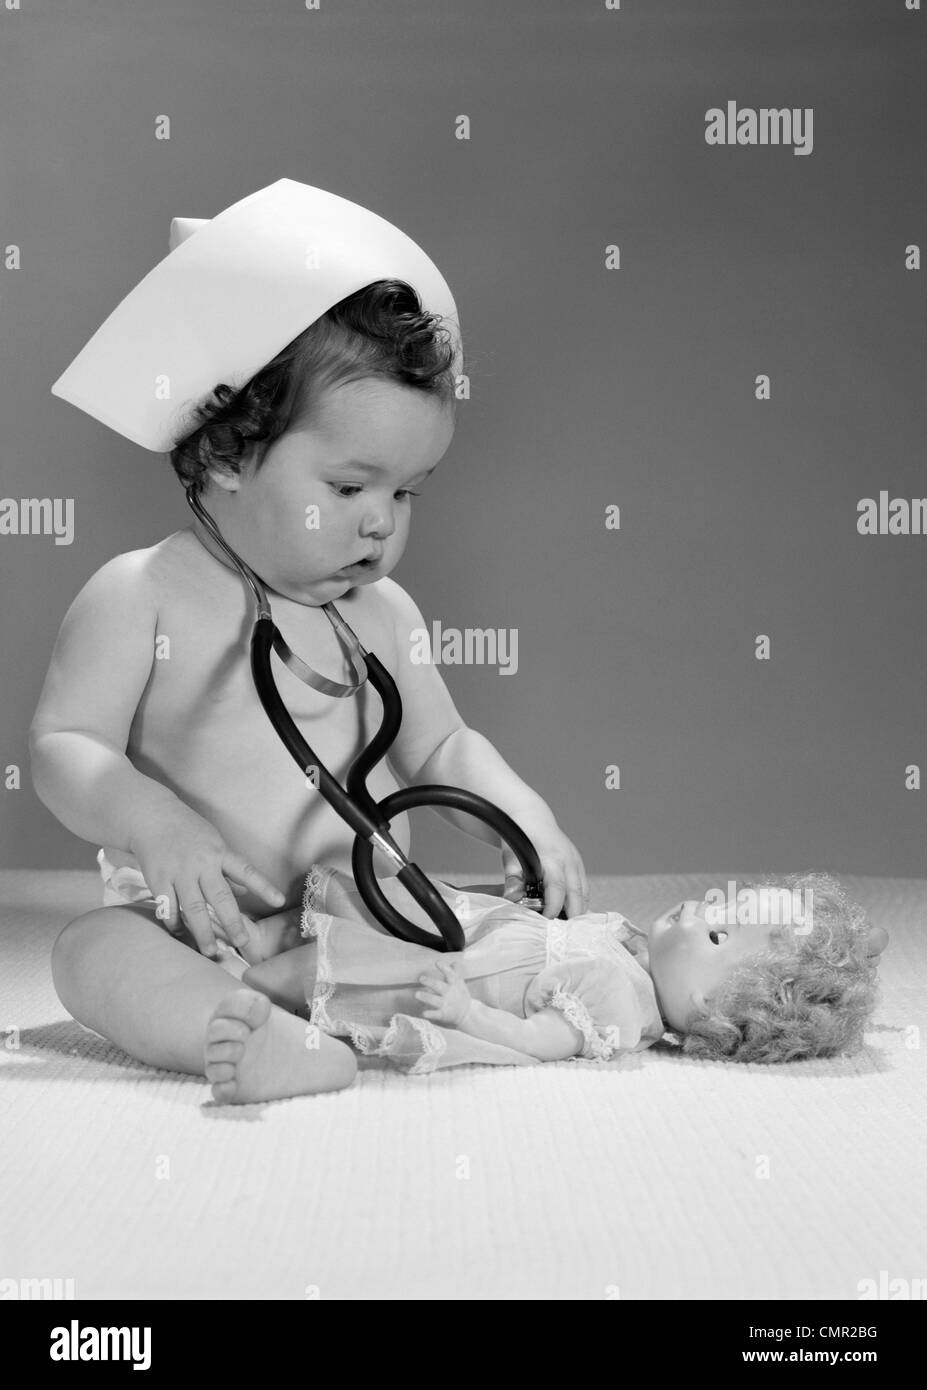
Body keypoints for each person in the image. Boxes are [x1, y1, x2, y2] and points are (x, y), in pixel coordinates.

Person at [31, 180, 587, 1105]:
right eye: (348, 487)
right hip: (206, 929)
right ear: (224, 453)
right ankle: (242, 1030)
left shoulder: (382, 614)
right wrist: (153, 824)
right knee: (91, 953)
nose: (379, 527)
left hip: (361, 918)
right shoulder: (143, 596)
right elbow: (65, 748)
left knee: (501, 941)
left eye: (406, 494)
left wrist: (521, 810)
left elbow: (439, 747)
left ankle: (423, 1008)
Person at [203, 867, 887, 1098]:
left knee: (314, 972)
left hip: (442, 977)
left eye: (716, 930)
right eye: (723, 900)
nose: (701, 904)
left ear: (708, 1008)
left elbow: (535, 1040)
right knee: (345, 901)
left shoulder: (618, 1004)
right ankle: (235, 937)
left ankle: (238, 984)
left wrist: (466, 1012)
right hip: (459, 930)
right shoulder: (628, 945)